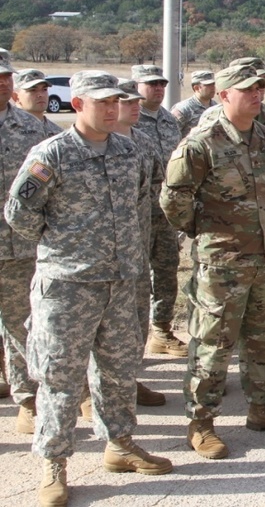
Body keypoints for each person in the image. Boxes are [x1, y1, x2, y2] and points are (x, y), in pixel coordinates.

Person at [6, 71, 172, 505]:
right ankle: (53, 462)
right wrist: (65, 245)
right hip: (68, 286)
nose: (113, 109)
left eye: (117, 101)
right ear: (78, 104)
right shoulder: (51, 154)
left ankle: (119, 444)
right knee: (60, 376)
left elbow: (140, 200)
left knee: (117, 371)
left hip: (119, 282)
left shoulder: (127, 149)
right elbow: (20, 213)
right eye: (103, 102)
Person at [161, 64, 265, 459]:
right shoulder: (200, 144)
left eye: (260, 88)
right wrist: (210, 235)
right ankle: (201, 422)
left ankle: (262, 408)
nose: (257, 94)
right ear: (223, 96)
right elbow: (174, 201)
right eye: (247, 89)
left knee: (263, 338)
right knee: (212, 343)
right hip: (222, 264)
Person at [0, 61, 64, 435]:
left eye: (7, 77)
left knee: (20, 323)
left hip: (17, 246)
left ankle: (26, 398)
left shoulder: (33, 130)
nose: (4, 83)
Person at [113, 79, 168, 408]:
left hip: (137, 246)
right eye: (125, 101)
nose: (134, 106)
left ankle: (129, 378)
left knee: (135, 316)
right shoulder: (71, 147)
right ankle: (93, 391)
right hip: (96, 256)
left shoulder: (144, 143)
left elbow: (158, 190)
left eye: (136, 101)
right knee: (99, 323)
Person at [131, 64, 186, 358]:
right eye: (151, 84)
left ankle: (162, 331)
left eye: (162, 84)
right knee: (137, 276)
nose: (158, 88)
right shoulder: (128, 118)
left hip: (165, 210)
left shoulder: (168, 120)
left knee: (166, 269)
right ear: (136, 85)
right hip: (137, 212)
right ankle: (132, 342)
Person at [12, 69, 63, 136]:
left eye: (44, 89)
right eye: (33, 90)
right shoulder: (6, 129)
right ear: (16, 97)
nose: (40, 95)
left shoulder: (57, 132)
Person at [170, 70, 216, 138]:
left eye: (213, 84)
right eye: (208, 85)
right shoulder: (183, 109)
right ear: (196, 88)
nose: (213, 88)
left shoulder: (216, 107)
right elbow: (170, 135)